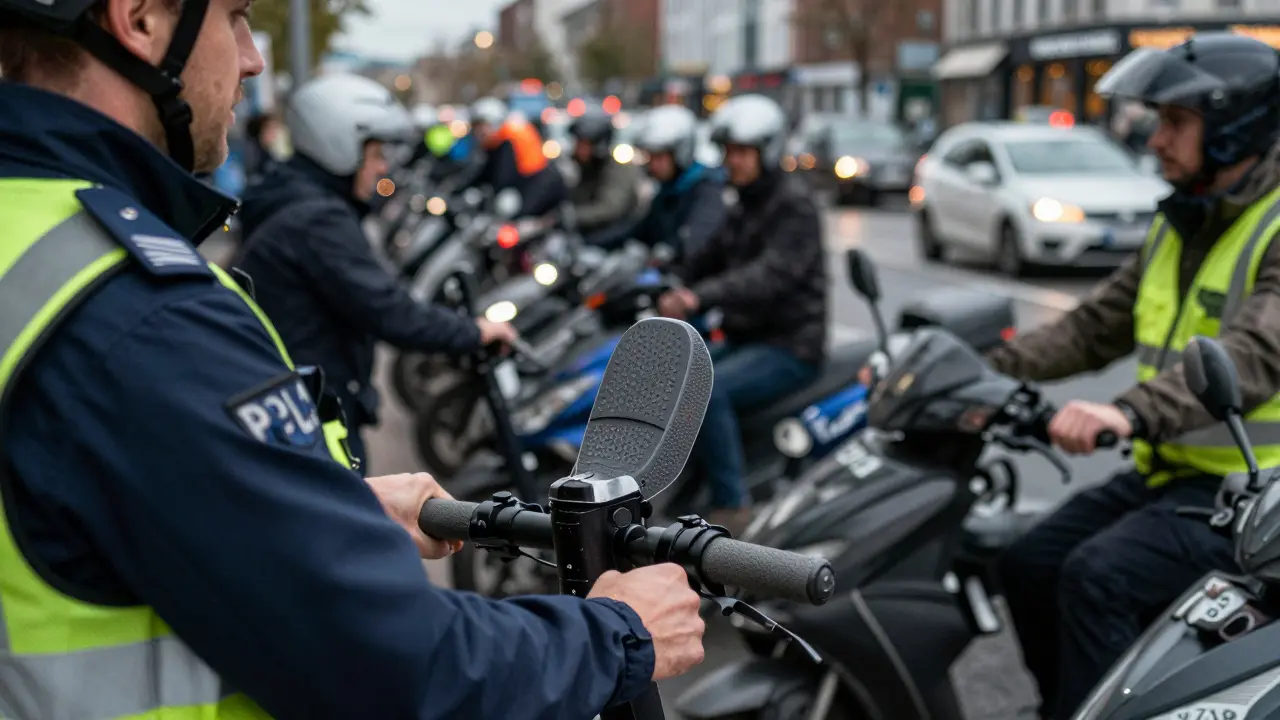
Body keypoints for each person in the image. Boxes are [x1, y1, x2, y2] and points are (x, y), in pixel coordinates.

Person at [0, 0, 707, 716]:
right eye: (236, 18)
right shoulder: (139, 311)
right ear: (142, 18)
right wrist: (619, 632)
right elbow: (394, 667)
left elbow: (90, 490)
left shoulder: (28, 235)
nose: (252, 57)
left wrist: (315, 508)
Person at [987, 34, 1280, 719]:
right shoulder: (1180, 221)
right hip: (1178, 478)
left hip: (1259, 491)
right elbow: (1093, 327)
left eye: (1176, 122)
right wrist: (978, 370)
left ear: (1235, 125)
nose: (1156, 139)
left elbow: (1256, 350)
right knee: (1027, 561)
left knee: (1100, 576)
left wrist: (1129, 411)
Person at [235, 74, 518, 470]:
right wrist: (474, 331)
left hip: (294, 401)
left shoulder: (291, 197)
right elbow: (389, 311)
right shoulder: (318, 220)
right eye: (376, 155)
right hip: (313, 414)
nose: (383, 168)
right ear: (340, 148)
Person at [657, 94, 826, 534]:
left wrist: (699, 296)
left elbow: (769, 275)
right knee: (677, 376)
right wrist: (668, 273)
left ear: (767, 152)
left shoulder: (793, 204)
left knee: (706, 388)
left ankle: (733, 505)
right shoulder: (745, 201)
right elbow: (710, 254)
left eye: (743, 152)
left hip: (789, 344)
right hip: (750, 336)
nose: (733, 161)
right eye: (729, 152)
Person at [592, 103, 727, 262]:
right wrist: (591, 243)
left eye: (660, 157)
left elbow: (694, 240)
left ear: (681, 153)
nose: (653, 164)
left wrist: (668, 254)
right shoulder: (667, 192)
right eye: (651, 156)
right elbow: (638, 229)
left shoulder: (706, 191)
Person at [466, 96, 568, 217]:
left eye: (481, 127)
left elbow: (502, 178)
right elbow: (481, 174)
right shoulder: (496, 143)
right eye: (476, 128)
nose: (478, 133)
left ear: (494, 123)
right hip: (528, 186)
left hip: (536, 187)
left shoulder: (507, 141)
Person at [567, 110, 642, 243]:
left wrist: (574, 215)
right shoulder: (583, 167)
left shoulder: (616, 168)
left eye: (585, 144)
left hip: (613, 238)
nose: (580, 149)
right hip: (586, 235)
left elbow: (610, 208)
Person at [242, 111, 284, 185]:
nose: (274, 135)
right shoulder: (250, 149)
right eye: (271, 130)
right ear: (262, 129)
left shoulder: (268, 152)